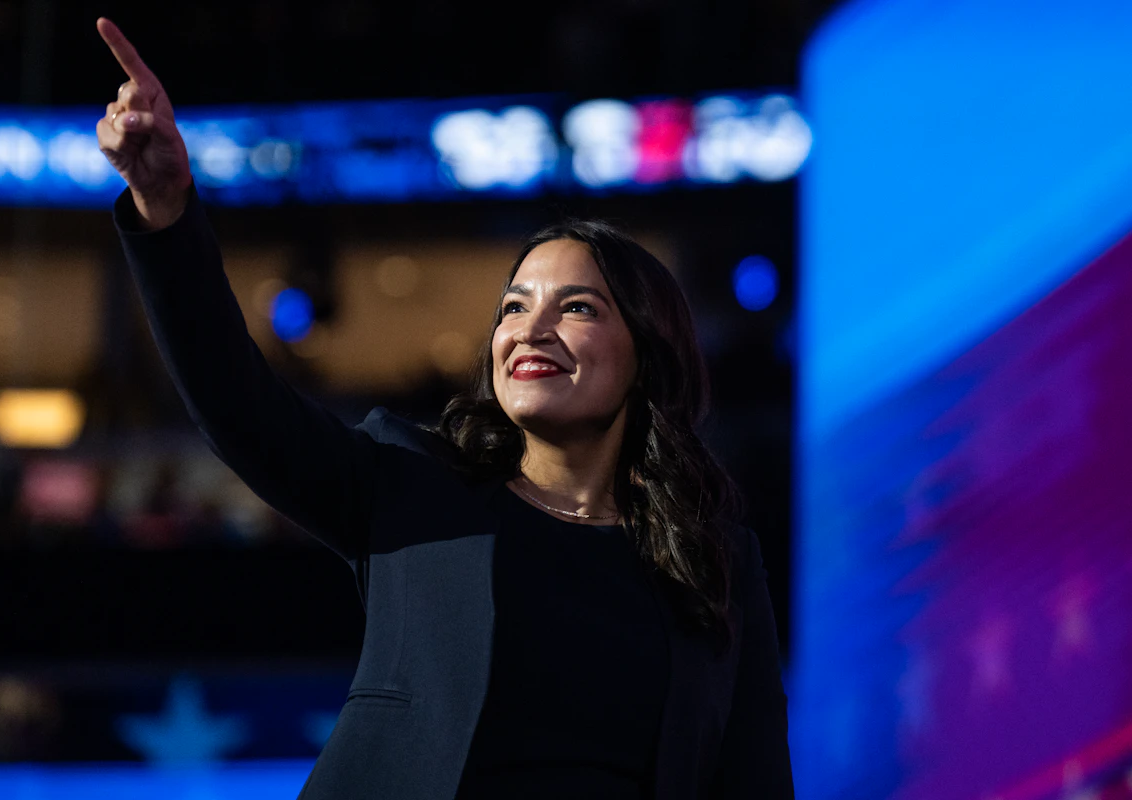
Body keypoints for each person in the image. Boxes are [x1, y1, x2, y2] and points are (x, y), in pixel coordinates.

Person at [94, 16, 793, 800]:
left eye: (579, 309)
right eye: (515, 307)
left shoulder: (719, 564)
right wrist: (164, 205)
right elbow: (233, 401)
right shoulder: (410, 488)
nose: (531, 329)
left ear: (647, 354)